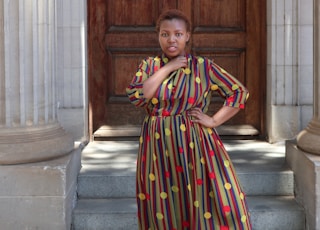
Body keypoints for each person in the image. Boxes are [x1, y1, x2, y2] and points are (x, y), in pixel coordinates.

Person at [126, 9, 251, 230]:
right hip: (157, 145)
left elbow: (239, 92)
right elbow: (139, 95)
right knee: (163, 202)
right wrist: (169, 67)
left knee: (206, 197)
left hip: (196, 143)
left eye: (177, 34)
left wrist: (213, 121)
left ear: (187, 36)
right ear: (158, 36)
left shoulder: (203, 67)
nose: (171, 39)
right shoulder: (149, 66)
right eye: (165, 34)